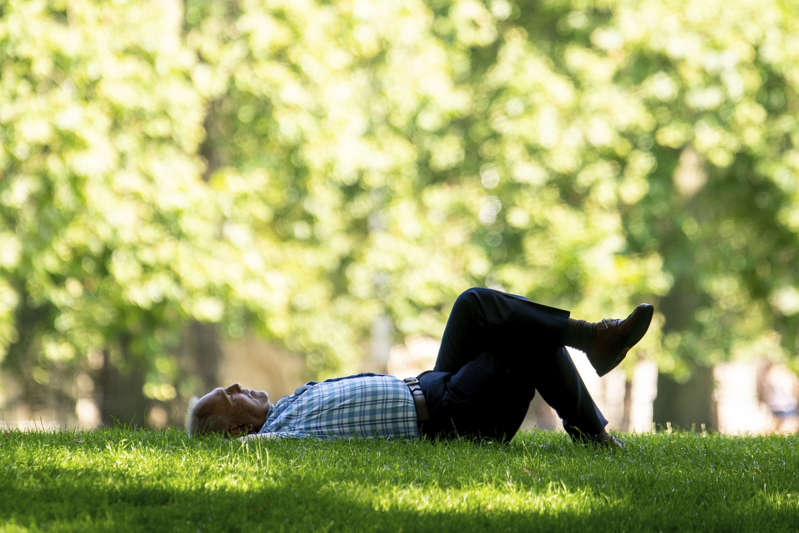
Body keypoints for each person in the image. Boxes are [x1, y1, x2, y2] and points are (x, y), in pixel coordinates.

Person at [186, 287, 653, 447]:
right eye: (229, 397)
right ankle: (594, 400)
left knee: (473, 304)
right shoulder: (277, 440)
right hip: (451, 416)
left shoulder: (292, 404)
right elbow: (243, 457)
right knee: (525, 342)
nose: (234, 384)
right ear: (236, 432)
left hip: (436, 385)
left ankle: (594, 340)